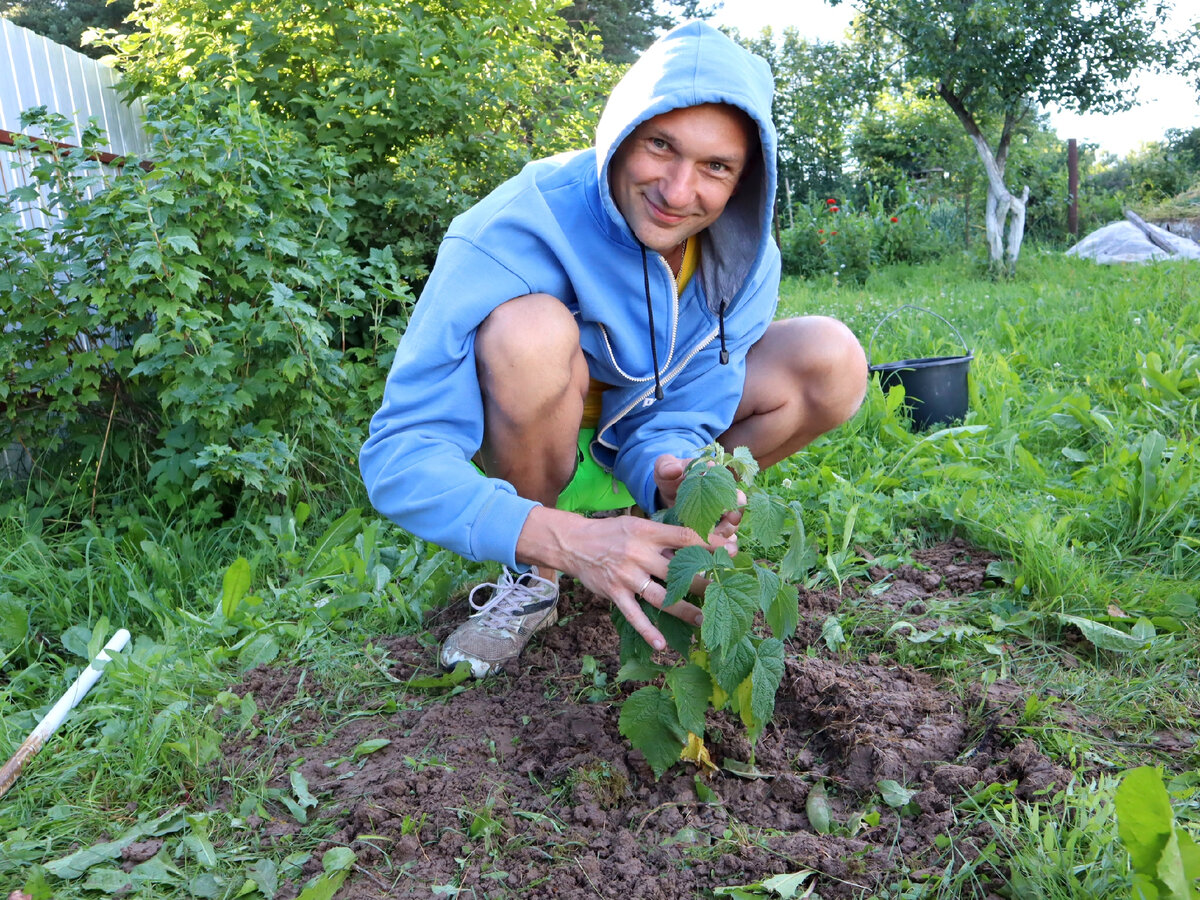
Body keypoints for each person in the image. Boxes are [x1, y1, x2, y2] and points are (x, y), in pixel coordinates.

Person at [360, 21, 867, 678]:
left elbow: (691, 401)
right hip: (534, 437)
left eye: (715, 167)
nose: (677, 193)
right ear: (622, 131)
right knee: (529, 330)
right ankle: (534, 575)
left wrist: (667, 469)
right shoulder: (509, 227)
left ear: (746, 179)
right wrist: (566, 539)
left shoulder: (745, 259)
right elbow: (402, 451)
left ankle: (651, 530)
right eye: (661, 145)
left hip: (631, 432)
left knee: (832, 357)